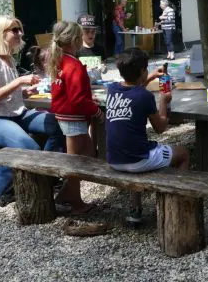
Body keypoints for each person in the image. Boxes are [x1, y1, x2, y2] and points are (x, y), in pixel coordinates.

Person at [0, 16, 64, 209]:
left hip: (18, 115)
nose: (20, 34)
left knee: (60, 123)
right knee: (28, 148)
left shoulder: (9, 58)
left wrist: (23, 91)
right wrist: (19, 82)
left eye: (19, 29)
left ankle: (44, 175)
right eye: (14, 30)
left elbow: (7, 91)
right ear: (0, 33)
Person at [105, 48, 190, 225]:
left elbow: (132, 92)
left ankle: (135, 210)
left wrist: (150, 77)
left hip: (114, 159)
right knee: (183, 154)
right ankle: (180, 203)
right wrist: (163, 102)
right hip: (137, 161)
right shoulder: (145, 96)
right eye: (146, 70)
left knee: (134, 148)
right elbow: (161, 127)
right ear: (142, 71)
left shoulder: (112, 90)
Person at [49, 20, 104, 214]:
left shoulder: (59, 60)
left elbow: (71, 93)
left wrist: (88, 97)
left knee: (86, 155)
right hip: (73, 117)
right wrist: (96, 111)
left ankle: (66, 195)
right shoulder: (74, 64)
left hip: (64, 114)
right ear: (75, 40)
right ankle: (75, 202)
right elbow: (78, 100)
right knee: (77, 162)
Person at [76, 13, 107, 157]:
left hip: (98, 89)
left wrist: (104, 68)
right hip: (83, 90)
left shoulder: (100, 48)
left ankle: (97, 150)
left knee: (98, 120)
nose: (91, 34)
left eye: (93, 31)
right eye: (87, 31)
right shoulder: (77, 50)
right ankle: (86, 150)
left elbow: (104, 65)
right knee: (85, 121)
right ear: (80, 32)